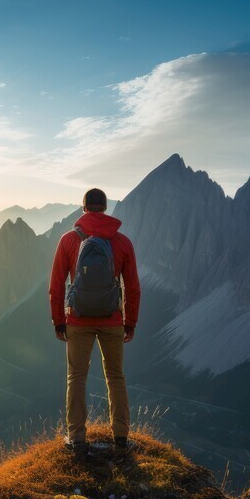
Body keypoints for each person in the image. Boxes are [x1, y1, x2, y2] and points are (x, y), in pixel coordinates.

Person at [49, 188, 141, 452]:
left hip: (77, 321)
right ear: (105, 208)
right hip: (112, 320)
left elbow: (57, 284)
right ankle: (121, 437)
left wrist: (58, 320)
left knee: (76, 377)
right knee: (116, 377)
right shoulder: (122, 242)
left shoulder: (68, 240)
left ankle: (76, 438)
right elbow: (133, 286)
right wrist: (130, 321)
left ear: (84, 207)